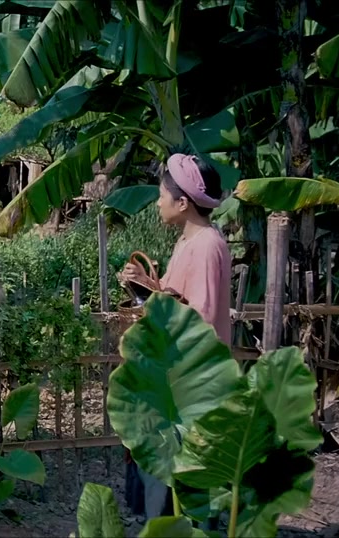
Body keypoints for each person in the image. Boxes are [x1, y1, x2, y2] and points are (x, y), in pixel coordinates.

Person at [120, 153, 231, 521]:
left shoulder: (206, 246)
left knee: (180, 472)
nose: (158, 202)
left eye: (161, 195)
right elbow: (174, 294)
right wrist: (144, 283)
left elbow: (200, 317)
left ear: (183, 203)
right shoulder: (188, 242)